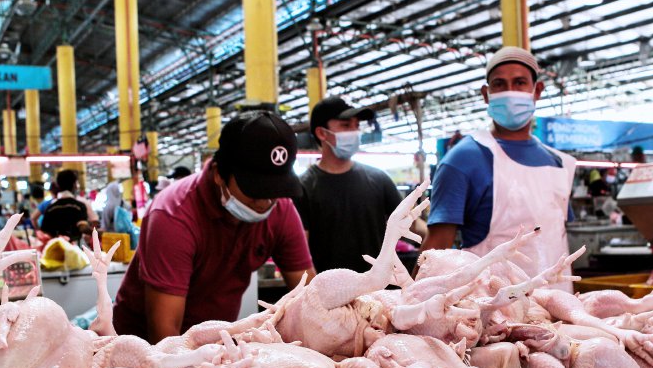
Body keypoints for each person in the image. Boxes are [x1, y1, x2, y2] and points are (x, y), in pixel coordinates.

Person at [112, 111, 315, 342]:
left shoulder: (280, 208)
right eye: (254, 190)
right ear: (219, 174)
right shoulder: (173, 216)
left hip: (214, 341)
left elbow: (307, 297)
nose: (264, 203)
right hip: (142, 346)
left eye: (275, 190)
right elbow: (164, 334)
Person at [419, 46, 576, 291]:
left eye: (520, 82)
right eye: (499, 84)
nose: (510, 92)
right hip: (492, 306)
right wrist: (408, 303)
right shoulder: (462, 160)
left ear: (537, 91)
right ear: (486, 94)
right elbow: (436, 250)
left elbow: (555, 238)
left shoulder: (560, 163)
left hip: (559, 303)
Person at [295, 96, 402, 273]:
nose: (354, 132)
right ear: (322, 133)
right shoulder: (303, 187)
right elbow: (299, 253)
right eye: (346, 125)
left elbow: (411, 223)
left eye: (357, 125)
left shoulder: (379, 179)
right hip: (330, 288)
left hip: (379, 286)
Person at [37, 169, 97, 241]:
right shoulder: (79, 206)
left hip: (55, 246)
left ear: (58, 185)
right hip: (75, 247)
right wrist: (98, 233)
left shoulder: (50, 208)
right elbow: (83, 228)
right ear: (75, 185)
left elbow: (44, 232)